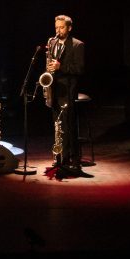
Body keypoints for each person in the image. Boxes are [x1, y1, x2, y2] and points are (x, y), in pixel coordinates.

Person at [47, 14, 85, 177]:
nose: (58, 30)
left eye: (61, 27)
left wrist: (60, 67)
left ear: (69, 28)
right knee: (57, 127)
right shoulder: (52, 43)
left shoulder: (78, 45)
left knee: (68, 127)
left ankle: (74, 160)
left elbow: (79, 69)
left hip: (68, 90)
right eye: (56, 27)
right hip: (54, 89)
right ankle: (60, 157)